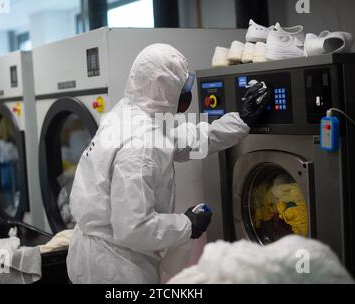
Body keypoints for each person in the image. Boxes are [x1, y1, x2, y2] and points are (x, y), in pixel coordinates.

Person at [67, 43, 269, 284]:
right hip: (114, 269)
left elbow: (184, 142)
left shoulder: (130, 113)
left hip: (98, 253)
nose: (186, 93)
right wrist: (187, 224)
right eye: (181, 86)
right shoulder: (140, 146)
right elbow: (134, 227)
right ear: (163, 88)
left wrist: (240, 121)